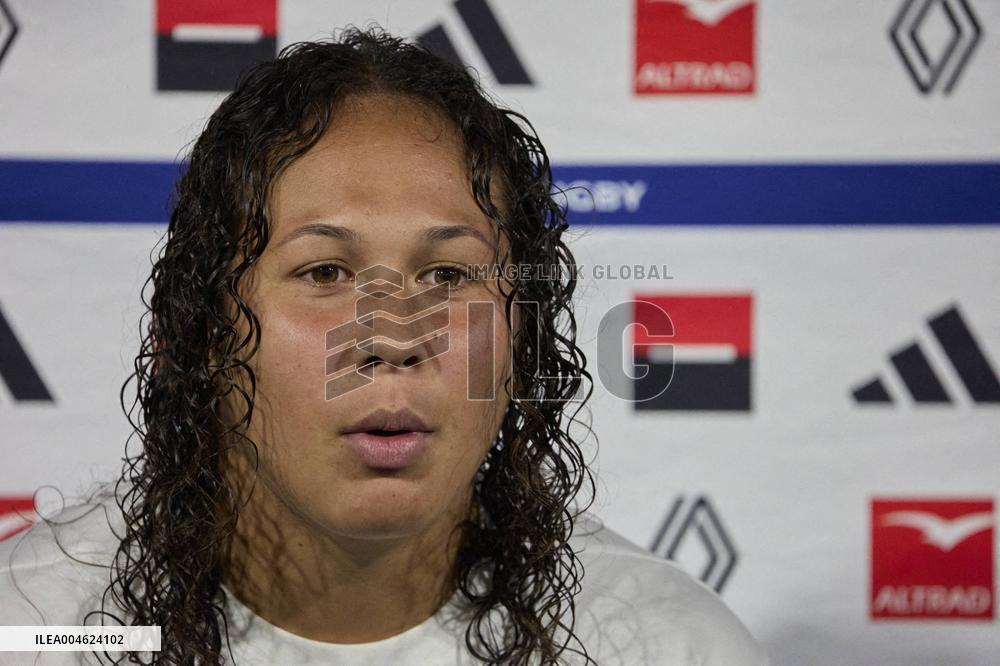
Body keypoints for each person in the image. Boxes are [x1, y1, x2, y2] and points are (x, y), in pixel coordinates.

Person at [0, 26, 770, 665]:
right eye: (325, 271)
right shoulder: (37, 630)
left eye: (447, 274)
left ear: (521, 334)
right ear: (201, 330)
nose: (394, 339)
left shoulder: (666, 647)